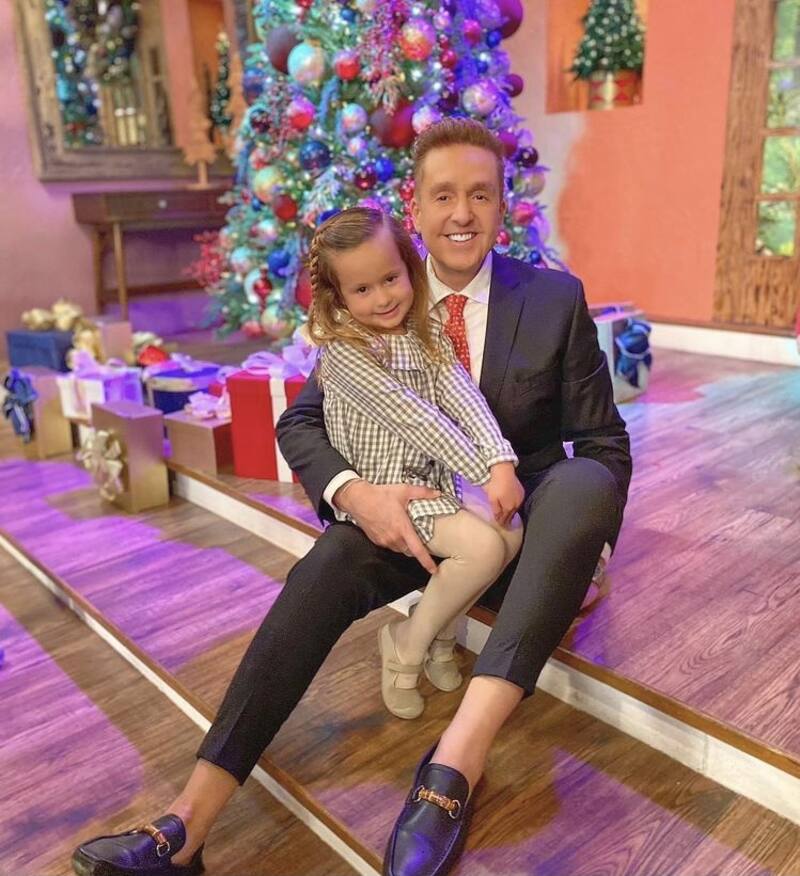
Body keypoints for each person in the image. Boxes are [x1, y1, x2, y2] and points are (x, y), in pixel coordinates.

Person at [72, 118, 631, 876]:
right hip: (410, 513)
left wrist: (587, 542)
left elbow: (603, 442)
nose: (462, 213)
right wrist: (356, 493)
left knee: (585, 480)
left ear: (505, 205)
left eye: (481, 195)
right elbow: (301, 420)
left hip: (519, 527)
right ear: (415, 207)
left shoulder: (554, 299)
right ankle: (189, 821)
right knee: (325, 567)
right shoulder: (373, 295)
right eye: (443, 195)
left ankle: (455, 763)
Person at [306, 206, 523, 719]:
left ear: (409, 267)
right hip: (388, 489)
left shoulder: (422, 329)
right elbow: (419, 420)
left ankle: (441, 636)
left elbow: (462, 394)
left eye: (391, 279)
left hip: (433, 477)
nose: (383, 298)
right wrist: (482, 473)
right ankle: (405, 644)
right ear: (339, 297)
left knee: (510, 531)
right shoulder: (345, 352)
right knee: (481, 550)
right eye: (363, 289)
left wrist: (500, 462)